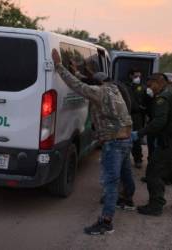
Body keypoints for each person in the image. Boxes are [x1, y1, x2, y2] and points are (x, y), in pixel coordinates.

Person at [51, 49, 135, 235]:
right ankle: (128, 200)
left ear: (97, 84)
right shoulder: (114, 88)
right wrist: (80, 72)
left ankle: (106, 222)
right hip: (126, 137)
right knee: (126, 171)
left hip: (113, 141)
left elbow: (78, 86)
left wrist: (59, 66)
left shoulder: (99, 92)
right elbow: (88, 82)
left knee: (110, 182)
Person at [132, 73, 172, 216]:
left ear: (158, 82)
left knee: (154, 171)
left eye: (150, 85)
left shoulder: (163, 97)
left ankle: (155, 206)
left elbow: (159, 122)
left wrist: (139, 133)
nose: (150, 89)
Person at [125, 69, 146, 168]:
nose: (138, 78)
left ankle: (138, 159)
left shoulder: (142, 87)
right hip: (126, 115)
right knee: (123, 137)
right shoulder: (125, 86)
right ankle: (123, 160)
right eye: (136, 76)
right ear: (130, 76)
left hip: (137, 116)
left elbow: (146, 100)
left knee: (136, 138)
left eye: (139, 76)